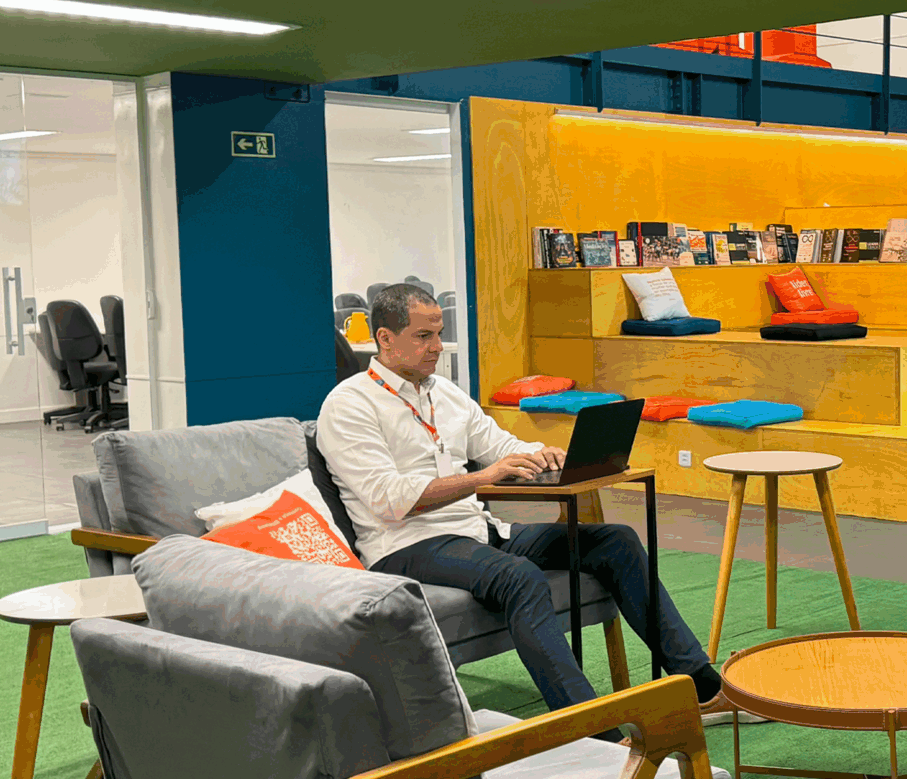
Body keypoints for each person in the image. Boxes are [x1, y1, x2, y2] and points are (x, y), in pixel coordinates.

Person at [315, 283, 744, 721]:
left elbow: (499, 445)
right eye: (423, 336)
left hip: (478, 532)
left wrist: (543, 454)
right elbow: (388, 500)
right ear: (385, 339)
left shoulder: (443, 392)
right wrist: (484, 477)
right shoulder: (349, 404)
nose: (437, 347)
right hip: (405, 545)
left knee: (616, 542)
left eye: (439, 334)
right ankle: (590, 727)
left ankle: (702, 687)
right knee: (519, 576)